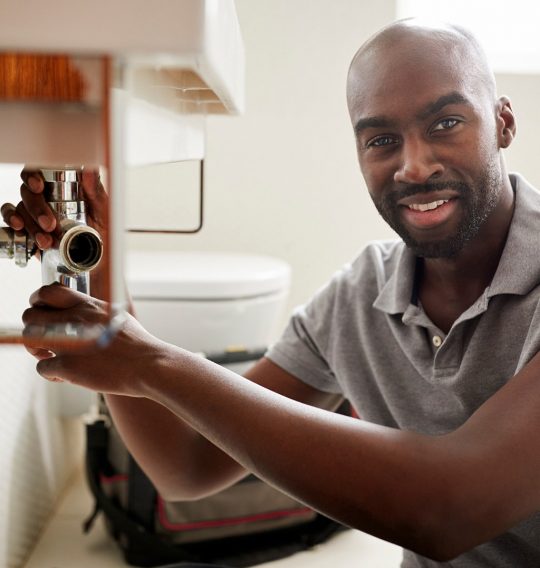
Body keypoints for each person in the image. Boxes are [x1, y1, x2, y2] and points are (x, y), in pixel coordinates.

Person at [3, 18, 540, 568]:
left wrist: (152, 362)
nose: (414, 166)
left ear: (502, 123)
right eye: (381, 139)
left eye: (446, 122)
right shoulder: (360, 297)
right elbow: (186, 466)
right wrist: (102, 258)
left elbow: (451, 510)